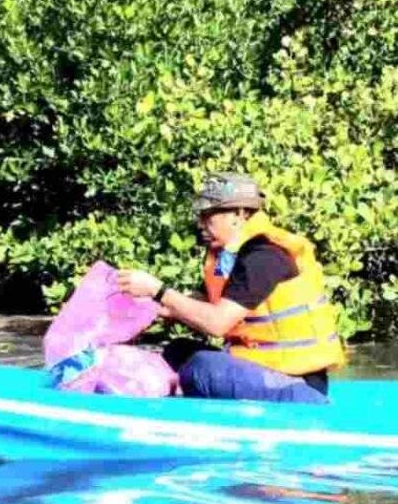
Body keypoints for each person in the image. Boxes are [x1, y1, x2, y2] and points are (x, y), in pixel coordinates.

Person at [117, 172, 345, 404]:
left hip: (296, 384)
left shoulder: (264, 257)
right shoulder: (230, 255)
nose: (201, 224)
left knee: (202, 368)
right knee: (178, 350)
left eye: (209, 215)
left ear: (238, 214)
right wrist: (156, 307)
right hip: (259, 365)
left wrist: (158, 290)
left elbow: (217, 323)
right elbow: (202, 301)